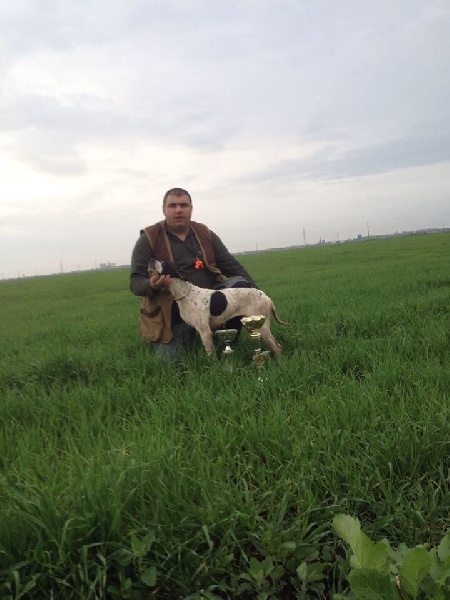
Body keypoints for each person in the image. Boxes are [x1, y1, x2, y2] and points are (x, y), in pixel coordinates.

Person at [130, 187, 258, 359]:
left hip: (210, 306)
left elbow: (231, 265)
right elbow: (135, 281)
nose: (178, 210)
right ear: (164, 210)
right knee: (171, 362)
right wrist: (152, 285)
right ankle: (188, 335)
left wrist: (256, 292)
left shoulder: (205, 233)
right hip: (172, 312)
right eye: (172, 205)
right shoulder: (149, 238)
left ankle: (225, 342)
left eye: (184, 205)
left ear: (191, 208)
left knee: (240, 283)